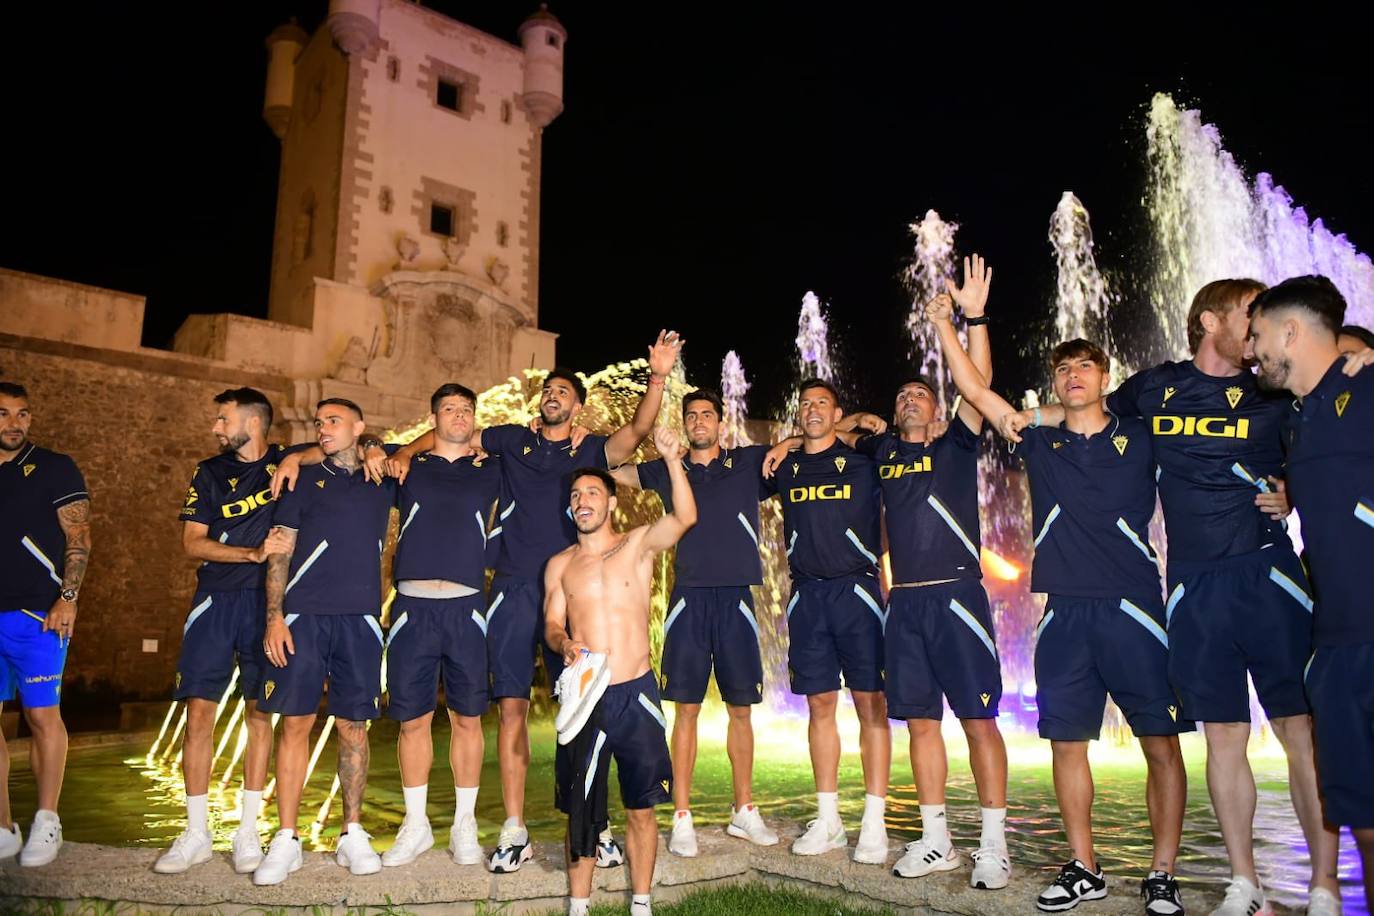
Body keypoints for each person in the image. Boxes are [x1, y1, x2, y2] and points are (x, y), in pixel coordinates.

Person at [1001, 279, 1339, 916]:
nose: (1259, 326)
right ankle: (1244, 882)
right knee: (1223, 735)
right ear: (1211, 321)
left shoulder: (1274, 389)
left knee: (1300, 730)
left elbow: (1334, 433)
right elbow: (1086, 412)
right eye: (1249, 314)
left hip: (1268, 573)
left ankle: (1325, 883)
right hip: (1191, 584)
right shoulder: (1156, 388)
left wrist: (1296, 489)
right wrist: (1034, 416)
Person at [371, 332, 683, 873]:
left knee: (589, 708)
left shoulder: (590, 450)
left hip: (573, 583)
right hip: (513, 586)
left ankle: (596, 825)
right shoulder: (510, 439)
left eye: (564, 391)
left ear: (579, 405)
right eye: (549, 390)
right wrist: (400, 451)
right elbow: (449, 436)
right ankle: (513, 828)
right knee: (512, 710)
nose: (554, 395)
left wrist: (657, 377)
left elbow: (636, 431)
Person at [930, 300, 1189, 915]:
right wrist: (954, 320)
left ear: (1105, 377)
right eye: (1064, 367)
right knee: (1067, 744)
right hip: (1064, 614)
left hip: (1135, 607)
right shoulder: (1037, 440)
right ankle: (1084, 866)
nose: (1074, 374)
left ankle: (1162, 873)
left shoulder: (1141, 432)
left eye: (1085, 366)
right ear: (1054, 382)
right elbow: (973, 386)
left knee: (1161, 742)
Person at [845, 257, 1012, 888]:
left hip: (957, 598)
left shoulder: (956, 444)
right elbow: (822, 433)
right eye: (900, 396)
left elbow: (980, 385)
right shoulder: (884, 451)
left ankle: (993, 844)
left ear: (939, 410)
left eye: (920, 394)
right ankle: (937, 839)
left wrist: (966, 319)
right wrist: (857, 420)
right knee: (919, 723)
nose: (908, 400)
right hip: (903, 604)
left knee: (978, 720)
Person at [1247, 274, 1374, 913]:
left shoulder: (1369, 385)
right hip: (1337, 646)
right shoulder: (1299, 419)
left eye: (1260, 333)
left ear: (1291, 332)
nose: (1252, 349)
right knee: (1365, 819)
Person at [608, 389, 778, 857]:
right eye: (691, 416)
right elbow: (610, 471)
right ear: (684, 425)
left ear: (720, 423)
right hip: (689, 598)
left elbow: (810, 444)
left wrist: (784, 445)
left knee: (741, 709)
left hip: (738, 598)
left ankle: (743, 809)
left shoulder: (746, 463)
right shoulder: (668, 469)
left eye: (707, 415)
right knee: (685, 709)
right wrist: (646, 447)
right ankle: (681, 815)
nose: (699, 421)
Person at [545, 426, 696, 916]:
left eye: (592, 492)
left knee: (642, 805)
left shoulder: (637, 544)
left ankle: (641, 903)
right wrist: (564, 642)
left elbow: (685, 517)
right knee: (582, 813)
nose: (583, 500)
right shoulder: (560, 565)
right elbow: (550, 623)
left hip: (636, 693)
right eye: (575, 495)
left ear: (610, 503)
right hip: (586, 698)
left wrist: (672, 460)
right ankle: (579, 907)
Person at [252, 398, 396, 886]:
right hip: (302, 616)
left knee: (354, 728)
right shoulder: (300, 477)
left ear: (359, 426)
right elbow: (280, 550)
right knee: (294, 725)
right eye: (319, 423)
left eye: (334, 421)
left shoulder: (384, 475)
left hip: (360, 620)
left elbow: (428, 448)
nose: (323, 427)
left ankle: (352, 832)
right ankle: (287, 836)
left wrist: (376, 445)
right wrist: (274, 617)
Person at [154, 388, 297, 875]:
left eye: (223, 419)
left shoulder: (286, 461)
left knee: (261, 716)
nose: (216, 428)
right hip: (214, 601)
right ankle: (195, 831)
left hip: (266, 607)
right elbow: (192, 543)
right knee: (199, 714)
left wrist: (369, 449)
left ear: (253, 424)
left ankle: (248, 831)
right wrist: (251, 554)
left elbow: (334, 444)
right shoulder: (208, 473)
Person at [763, 378, 892, 865]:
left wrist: (853, 422)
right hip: (807, 597)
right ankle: (830, 819)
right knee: (819, 705)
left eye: (822, 403)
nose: (812, 410)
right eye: (805, 405)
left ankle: (875, 822)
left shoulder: (864, 461)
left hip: (857, 590)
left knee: (870, 706)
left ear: (836, 410)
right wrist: (788, 442)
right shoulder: (785, 466)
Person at [379, 384, 500, 868]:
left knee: (467, 718)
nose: (459, 416)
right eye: (449, 409)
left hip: (468, 606)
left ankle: (464, 825)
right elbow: (361, 448)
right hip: (411, 605)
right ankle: (416, 825)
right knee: (412, 719)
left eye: (466, 410)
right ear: (433, 417)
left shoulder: (492, 467)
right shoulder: (406, 465)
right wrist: (403, 448)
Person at [0, 382, 91, 867]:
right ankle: (2, 826)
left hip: (37, 614)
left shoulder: (55, 466)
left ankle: (47, 820)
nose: (14, 423)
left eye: (22, 414)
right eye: (3, 414)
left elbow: (79, 535)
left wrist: (68, 597)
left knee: (41, 716)